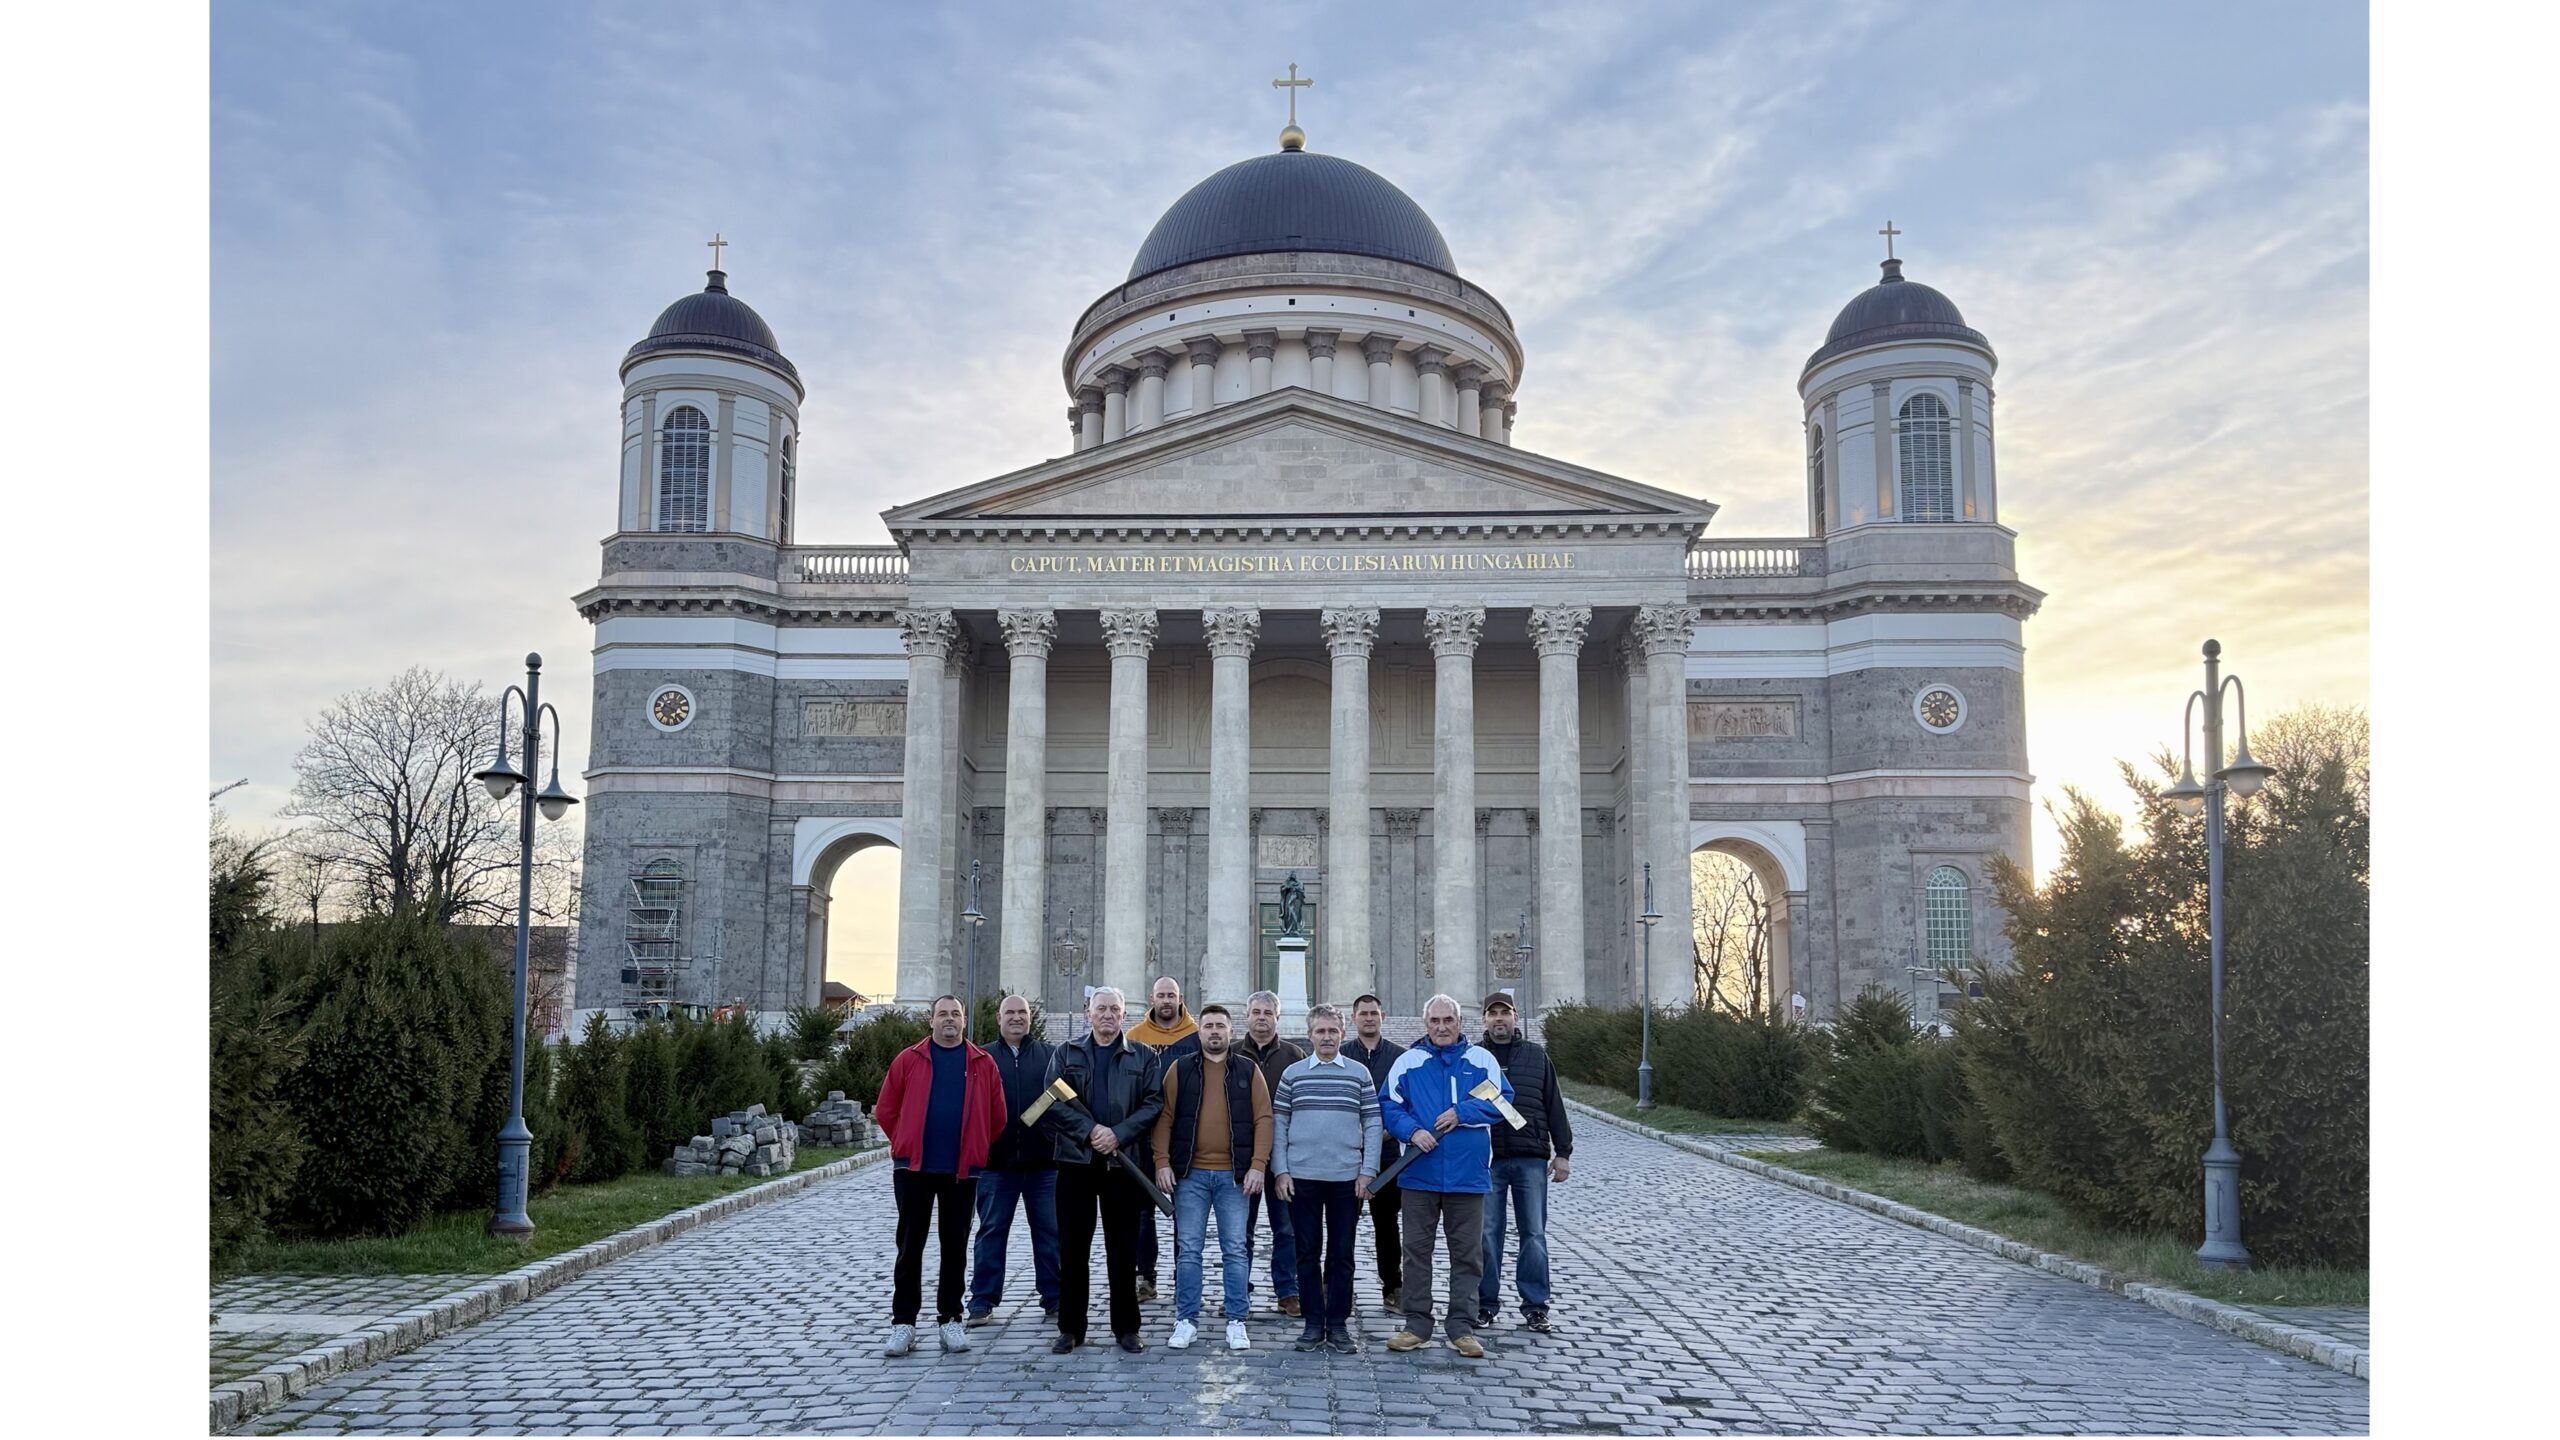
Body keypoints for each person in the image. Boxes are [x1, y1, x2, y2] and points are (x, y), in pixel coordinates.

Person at [1377, 993, 1514, 1359]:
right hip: (1419, 1174)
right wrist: (1410, 1131)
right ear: (1426, 1025)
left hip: (1468, 1174)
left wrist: (1462, 1111)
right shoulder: (1409, 1062)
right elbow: (1388, 1104)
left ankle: (1461, 1326)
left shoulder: (1480, 1060)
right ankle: (1416, 1323)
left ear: (1459, 1023)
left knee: (1467, 1254)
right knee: (1416, 1253)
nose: (1441, 1027)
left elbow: (1503, 1102)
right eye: (1435, 1021)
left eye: (1448, 1021)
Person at [873, 994, 1007, 1357]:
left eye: (955, 1014)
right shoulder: (909, 1060)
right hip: (913, 1169)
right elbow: (886, 1109)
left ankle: (951, 1318)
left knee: (955, 1246)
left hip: (961, 1171)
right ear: (930, 1021)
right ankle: (904, 1323)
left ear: (965, 1021)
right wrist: (906, 1141)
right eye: (942, 1014)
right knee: (910, 1245)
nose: (949, 1020)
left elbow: (997, 1117)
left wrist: (975, 1145)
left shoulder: (982, 1063)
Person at [1034, 985, 1164, 1353]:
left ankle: (1127, 1328)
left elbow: (1153, 1104)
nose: (1107, 1015)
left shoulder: (1143, 1057)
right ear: (1089, 1012)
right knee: (1073, 1249)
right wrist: (1090, 1131)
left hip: (1124, 1167)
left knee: (1123, 1251)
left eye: (1114, 1009)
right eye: (1101, 1008)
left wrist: (1118, 1134)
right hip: (1076, 1163)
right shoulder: (1066, 1053)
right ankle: (1071, 1328)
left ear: (1125, 1016)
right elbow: (1052, 1101)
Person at [1147, 1002, 1270, 1352]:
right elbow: (1164, 1118)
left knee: (1235, 1250)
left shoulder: (1248, 1069)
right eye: (1208, 1026)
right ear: (1198, 1031)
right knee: (1188, 1251)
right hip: (1190, 1176)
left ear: (1231, 1032)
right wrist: (1162, 1162)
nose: (1214, 1031)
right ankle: (1186, 1319)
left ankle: (1236, 1320)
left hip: (1235, 1178)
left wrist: (1258, 1165)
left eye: (1220, 1026)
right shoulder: (1179, 1069)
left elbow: (1264, 1118)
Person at [1272, 1003, 1382, 1354]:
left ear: (1342, 1034)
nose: (1326, 1037)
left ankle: (1337, 1324)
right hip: (1302, 1176)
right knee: (1306, 1253)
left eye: (1332, 1031)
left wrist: (1369, 1171)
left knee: (1342, 1254)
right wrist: (1281, 1170)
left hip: (1345, 1179)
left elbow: (1374, 1123)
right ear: (1309, 1036)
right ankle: (1312, 1323)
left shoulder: (1359, 1074)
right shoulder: (1293, 1074)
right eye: (1320, 1031)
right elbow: (1279, 1125)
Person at [1473, 992, 1571, 1333]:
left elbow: (1553, 1104)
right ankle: (1485, 1304)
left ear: (1515, 1017)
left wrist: (1563, 1152)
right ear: (1484, 1019)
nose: (1499, 1019)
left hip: (1530, 1158)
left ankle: (1535, 1306)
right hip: (1489, 1159)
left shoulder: (1536, 1056)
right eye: (1493, 1013)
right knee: (1487, 1234)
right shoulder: (1473, 1058)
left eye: (1505, 1013)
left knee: (1534, 1234)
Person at [966, 994, 1061, 1326]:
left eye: (1022, 1012)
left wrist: (1048, 1133)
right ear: (998, 1017)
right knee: (991, 1232)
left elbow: (1061, 1101)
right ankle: (982, 1300)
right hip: (996, 1164)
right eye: (1010, 1012)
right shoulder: (982, 1057)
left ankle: (1056, 1297)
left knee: (1050, 1233)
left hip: (1044, 1165)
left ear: (1030, 1018)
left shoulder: (1051, 1056)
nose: (1016, 1017)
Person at [1124, 975, 1199, 1303]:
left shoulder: (1196, 1036)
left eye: (1171, 995)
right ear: (1151, 999)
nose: (1166, 1001)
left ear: (1180, 998)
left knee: (1185, 1213)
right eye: (1161, 995)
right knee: (1141, 1214)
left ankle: (1184, 1277)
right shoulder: (1135, 1037)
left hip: (1184, 1138)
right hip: (1142, 1137)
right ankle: (1146, 1276)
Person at [1232, 989, 1306, 1317]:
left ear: (1278, 1017)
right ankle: (1238, 1291)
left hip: (1282, 1158)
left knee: (1287, 1227)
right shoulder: (1230, 1054)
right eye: (1256, 1012)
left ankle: (1288, 1291)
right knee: (1239, 1229)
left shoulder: (1295, 1056)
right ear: (1246, 1017)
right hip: (1239, 1156)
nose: (1261, 1018)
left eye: (1268, 1013)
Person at [1343, 993, 1407, 1314]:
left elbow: (1408, 1105)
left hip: (1388, 1157)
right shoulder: (1341, 1056)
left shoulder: (1400, 1057)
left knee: (1387, 1224)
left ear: (1383, 1016)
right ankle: (1338, 1285)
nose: (1369, 1018)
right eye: (1363, 1013)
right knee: (1344, 1225)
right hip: (1347, 1157)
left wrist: (1383, 1134)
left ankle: (1393, 1286)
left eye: (1374, 1013)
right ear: (1353, 1019)